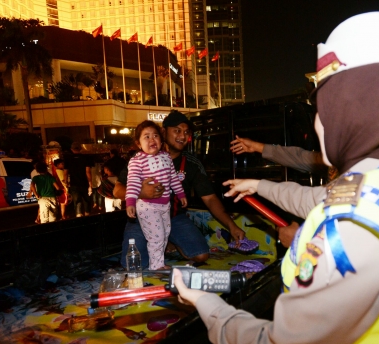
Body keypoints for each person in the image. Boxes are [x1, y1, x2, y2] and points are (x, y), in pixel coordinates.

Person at [173, 12, 379, 344]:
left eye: (323, 108)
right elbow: (325, 199)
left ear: (352, 115)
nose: (316, 123)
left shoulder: (349, 234)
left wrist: (206, 304)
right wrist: (260, 185)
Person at [115, 110, 245, 268]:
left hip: (173, 217)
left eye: (186, 132)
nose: (183, 136)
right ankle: (161, 244)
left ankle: (170, 240)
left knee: (201, 254)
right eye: (177, 130)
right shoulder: (139, 159)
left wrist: (232, 226)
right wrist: (141, 193)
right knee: (133, 264)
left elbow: (210, 198)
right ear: (164, 132)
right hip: (142, 217)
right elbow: (117, 191)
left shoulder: (191, 163)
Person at [230, 136, 327, 247]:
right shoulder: (340, 158)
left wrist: (304, 238)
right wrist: (258, 147)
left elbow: (317, 201)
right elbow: (303, 158)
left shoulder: (348, 174)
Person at [125, 120, 187, 270]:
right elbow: (132, 183)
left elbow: (173, 177)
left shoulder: (166, 158)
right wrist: (130, 202)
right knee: (157, 237)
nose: (152, 140)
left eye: (155, 136)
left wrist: (181, 193)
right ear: (138, 144)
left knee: (165, 234)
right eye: (146, 137)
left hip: (165, 205)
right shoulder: (137, 161)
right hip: (147, 206)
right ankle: (156, 266)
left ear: (161, 139)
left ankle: (159, 261)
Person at [64, 142, 93, 217]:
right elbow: (88, 172)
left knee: (77, 202)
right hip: (85, 183)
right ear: (80, 149)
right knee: (87, 201)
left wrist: (66, 183)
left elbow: (65, 173)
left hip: (74, 184)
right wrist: (90, 185)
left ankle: (79, 216)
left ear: (71, 149)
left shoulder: (68, 159)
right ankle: (88, 215)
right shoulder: (86, 158)